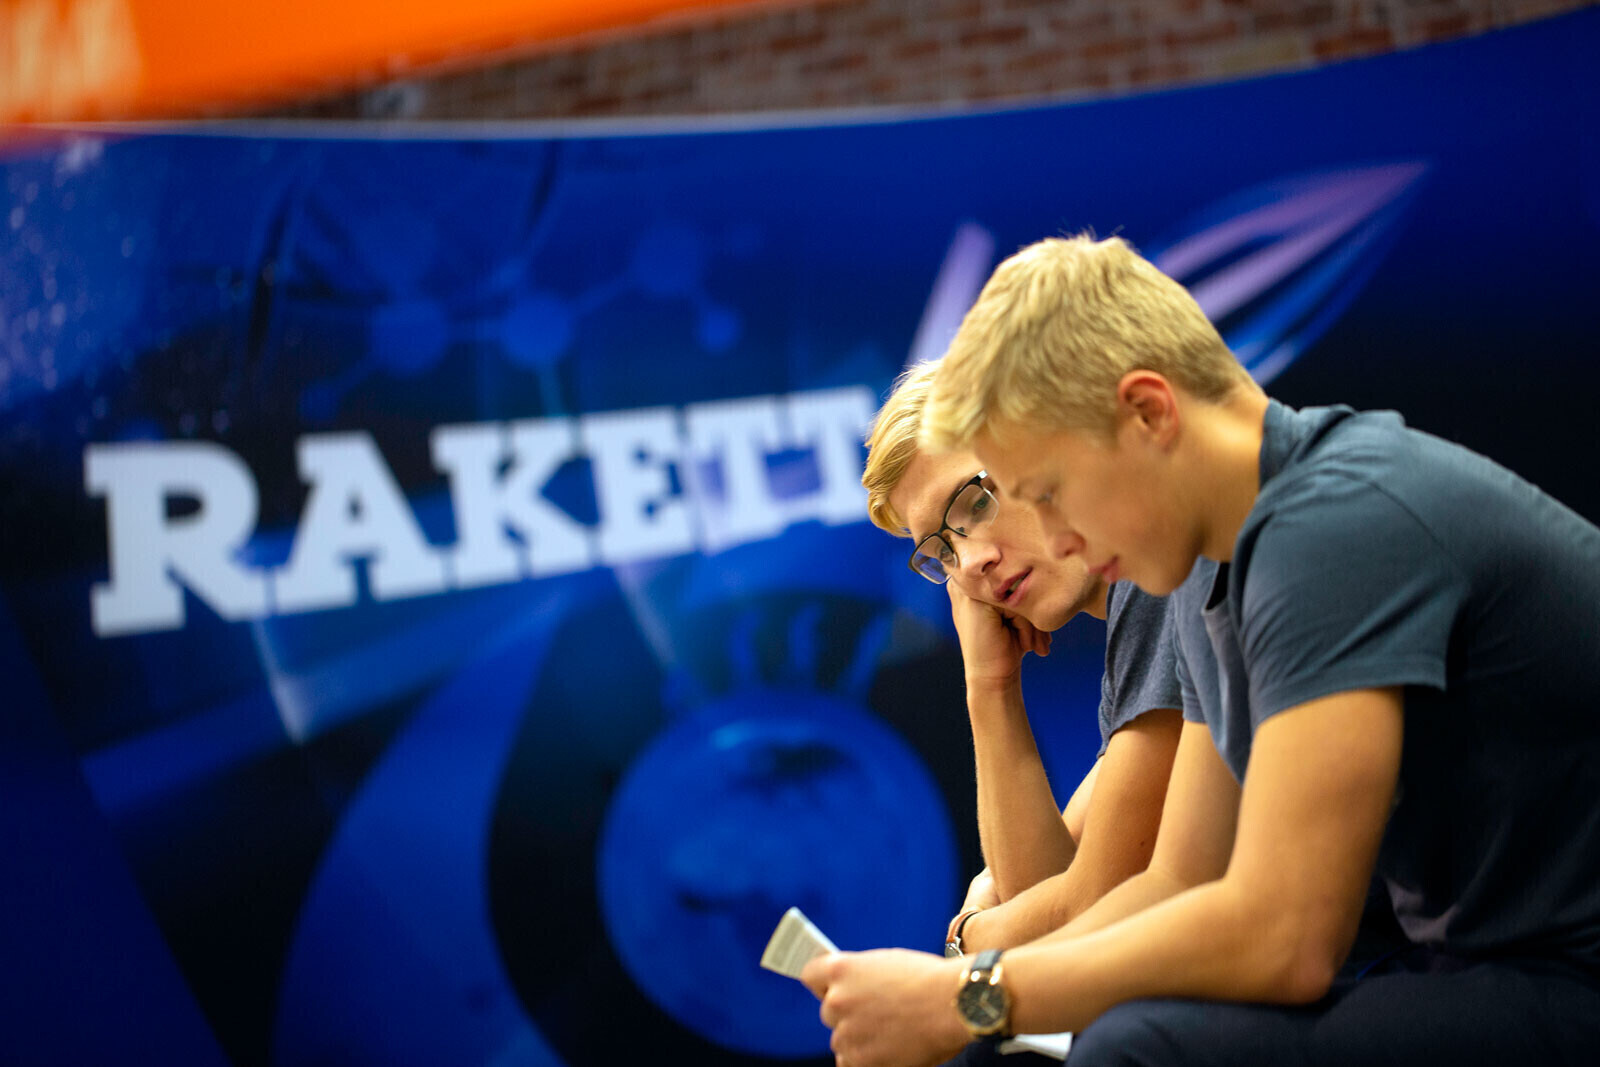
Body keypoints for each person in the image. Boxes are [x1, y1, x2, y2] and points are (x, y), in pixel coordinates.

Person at [803, 235, 1600, 1067]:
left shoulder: (1331, 528)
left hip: (1563, 974)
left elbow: (1287, 937)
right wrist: (981, 995)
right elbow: (1180, 885)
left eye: (1049, 492)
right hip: (1485, 967)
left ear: (1149, 413)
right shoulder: (1224, 566)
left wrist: (970, 994)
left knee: (1130, 1048)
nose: (1057, 536)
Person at [862, 361, 1181, 957]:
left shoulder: (1166, 580)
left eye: (974, 504)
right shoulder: (1139, 617)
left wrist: (970, 937)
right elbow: (1047, 888)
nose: (970, 562)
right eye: (942, 551)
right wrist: (989, 685)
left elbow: (1078, 926)